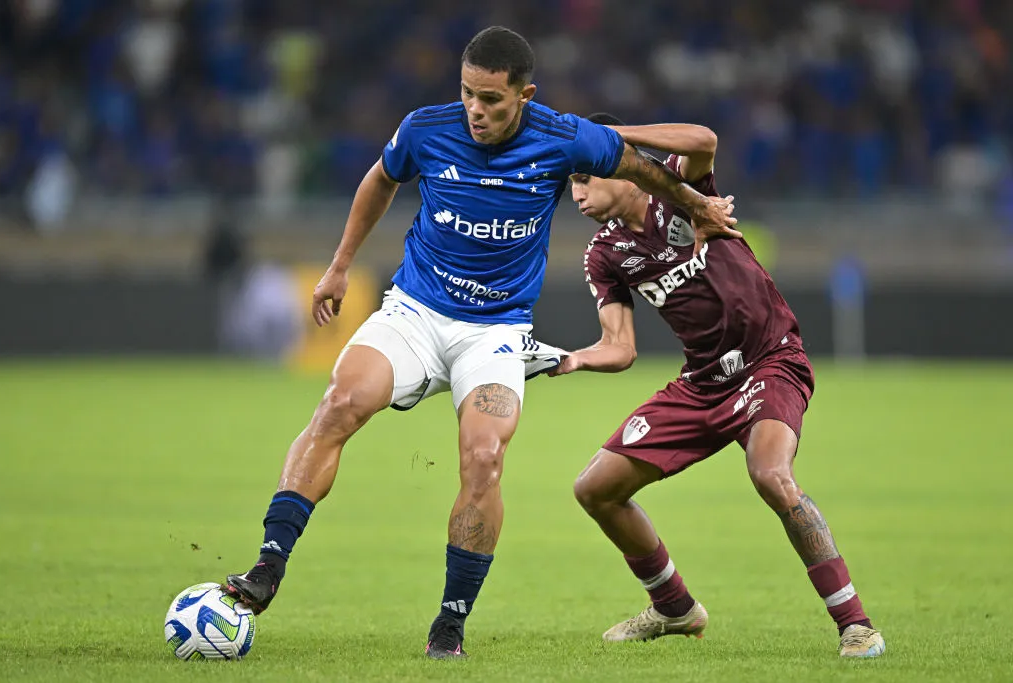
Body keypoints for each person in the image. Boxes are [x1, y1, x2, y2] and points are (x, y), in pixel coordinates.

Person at [222, 27, 737, 659]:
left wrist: (695, 205)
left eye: (492, 98)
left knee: (484, 457)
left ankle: (449, 625)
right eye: (468, 94)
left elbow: (636, 168)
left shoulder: (564, 135)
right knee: (340, 402)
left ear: (525, 95)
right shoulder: (424, 129)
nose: (476, 110)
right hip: (414, 310)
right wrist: (338, 266)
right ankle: (269, 566)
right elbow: (379, 180)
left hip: (495, 332)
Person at [552, 112, 885, 658]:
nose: (578, 195)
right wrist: (569, 360)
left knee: (771, 475)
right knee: (595, 489)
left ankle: (856, 624)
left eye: (585, 178)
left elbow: (705, 139)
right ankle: (674, 608)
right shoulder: (604, 254)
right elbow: (620, 347)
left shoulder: (679, 189)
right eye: (572, 185)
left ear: (615, 168)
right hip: (703, 383)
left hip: (769, 361)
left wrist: (617, 141)